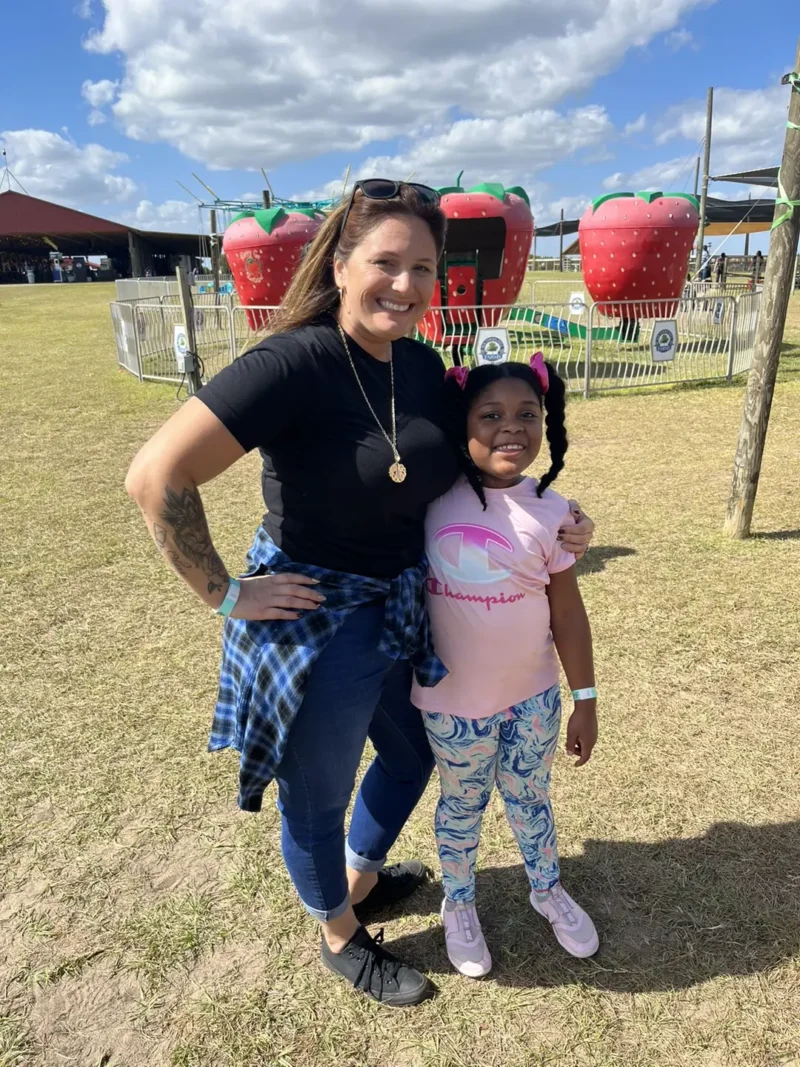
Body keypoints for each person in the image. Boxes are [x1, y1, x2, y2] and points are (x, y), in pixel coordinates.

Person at [124, 180, 595, 1009]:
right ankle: (339, 931)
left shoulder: (418, 365)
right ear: (340, 265)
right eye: (385, 262)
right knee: (319, 790)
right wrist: (223, 593)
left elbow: (484, 456)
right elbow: (156, 474)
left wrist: (558, 519)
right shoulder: (293, 362)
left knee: (415, 752)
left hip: (407, 609)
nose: (406, 286)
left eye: (422, 267)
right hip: (319, 619)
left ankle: (361, 875)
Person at [411, 357, 599, 977]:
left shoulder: (555, 514)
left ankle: (546, 888)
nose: (509, 429)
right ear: (460, 423)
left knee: (529, 797)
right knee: (461, 805)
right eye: (489, 415)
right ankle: (458, 903)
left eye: (527, 415)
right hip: (453, 703)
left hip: (534, 700)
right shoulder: (430, 500)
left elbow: (567, 614)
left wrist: (587, 698)